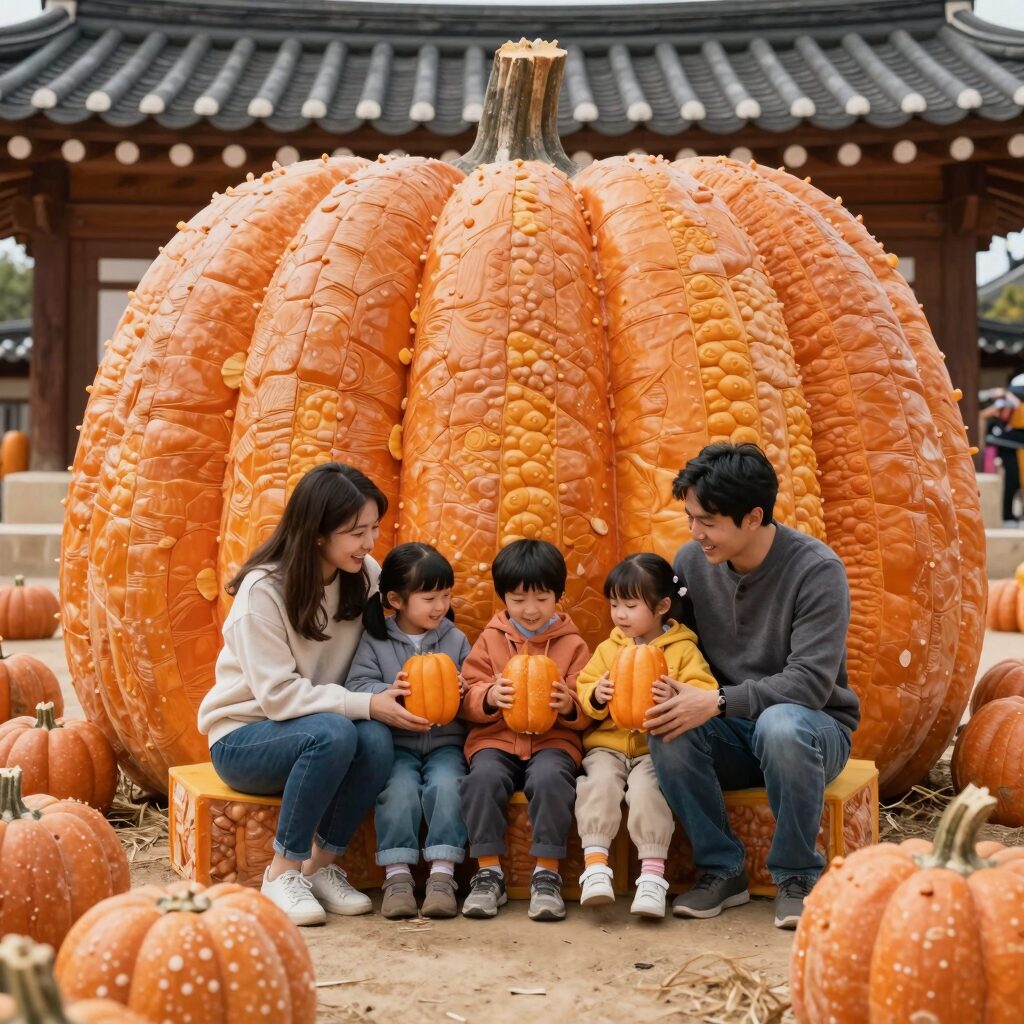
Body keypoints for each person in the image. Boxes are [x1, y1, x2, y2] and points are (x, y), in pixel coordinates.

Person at [197, 462, 429, 926]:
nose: (368, 543)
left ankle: (320, 867)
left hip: (322, 729)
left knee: (374, 739)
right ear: (318, 533)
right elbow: (279, 698)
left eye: (373, 529)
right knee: (337, 733)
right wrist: (366, 704)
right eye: (355, 532)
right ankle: (281, 872)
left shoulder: (364, 575)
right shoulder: (262, 592)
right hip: (246, 738)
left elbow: (401, 627)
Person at [645, 443, 859, 930]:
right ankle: (722, 869)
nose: (696, 532)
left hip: (814, 730)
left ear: (753, 516)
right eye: (691, 517)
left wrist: (718, 700)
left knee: (780, 724)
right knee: (668, 723)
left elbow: (808, 683)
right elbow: (676, 642)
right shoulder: (691, 563)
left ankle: (797, 876)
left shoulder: (817, 571)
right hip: (730, 728)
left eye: (709, 521)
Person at [575, 553, 717, 919]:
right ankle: (595, 868)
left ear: (662, 606)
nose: (620, 614)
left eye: (630, 605)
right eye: (614, 605)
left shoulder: (684, 649)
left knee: (648, 792)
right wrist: (597, 696)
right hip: (608, 745)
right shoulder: (610, 649)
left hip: (654, 750)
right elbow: (585, 685)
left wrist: (678, 695)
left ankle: (652, 878)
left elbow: (703, 689)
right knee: (598, 784)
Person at [458, 539, 590, 922]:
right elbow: (467, 692)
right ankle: (488, 872)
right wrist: (488, 697)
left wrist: (569, 705)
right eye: (518, 599)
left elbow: (588, 701)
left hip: (553, 741)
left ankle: (546, 872)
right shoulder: (490, 639)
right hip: (496, 738)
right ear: (503, 599)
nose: (530, 609)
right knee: (481, 778)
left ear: (557, 597)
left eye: (541, 598)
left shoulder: (573, 644)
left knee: (551, 779)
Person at [346, 542, 471, 920]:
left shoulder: (454, 639)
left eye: (446, 596)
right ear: (396, 600)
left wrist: (465, 690)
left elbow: (476, 684)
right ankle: (397, 876)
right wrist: (386, 692)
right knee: (397, 791)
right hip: (397, 745)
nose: (440, 606)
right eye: (430, 597)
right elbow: (356, 686)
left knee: (448, 787)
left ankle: (442, 876)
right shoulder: (376, 639)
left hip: (446, 742)